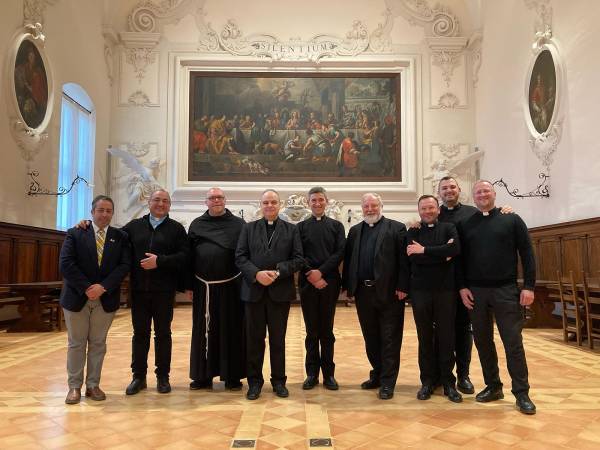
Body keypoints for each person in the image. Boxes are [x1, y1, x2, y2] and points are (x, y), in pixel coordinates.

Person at [458, 180, 537, 415]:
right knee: (482, 342)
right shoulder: (466, 223)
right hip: (476, 292)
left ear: (494, 194)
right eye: (478, 192)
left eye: (486, 191)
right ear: (473, 197)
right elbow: (460, 260)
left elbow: (527, 253)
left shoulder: (511, 219)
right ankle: (493, 386)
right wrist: (462, 287)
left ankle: (521, 393)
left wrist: (529, 286)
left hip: (506, 290)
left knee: (513, 343)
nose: (482, 195)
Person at [60, 195, 131, 404]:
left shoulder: (120, 237)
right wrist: (86, 288)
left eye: (109, 210)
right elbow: (66, 264)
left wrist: (103, 287)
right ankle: (74, 387)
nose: (104, 214)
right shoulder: (76, 233)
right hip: (76, 297)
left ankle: (93, 385)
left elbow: (124, 266)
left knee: (98, 343)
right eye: (100, 210)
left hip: (105, 298)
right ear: (92, 212)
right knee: (76, 343)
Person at [235, 189, 304, 400]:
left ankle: (279, 381)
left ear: (280, 204)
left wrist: (277, 271)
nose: (269, 206)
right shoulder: (248, 228)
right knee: (254, 340)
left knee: (278, 340)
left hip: (279, 292)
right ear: (260, 205)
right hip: (254, 292)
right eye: (266, 202)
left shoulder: (291, 230)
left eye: (273, 202)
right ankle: (254, 382)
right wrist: (256, 274)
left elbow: (299, 259)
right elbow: (240, 256)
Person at [342, 193, 409, 400]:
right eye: (366, 206)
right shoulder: (354, 231)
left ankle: (388, 382)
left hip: (390, 292)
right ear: (361, 208)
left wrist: (403, 286)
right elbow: (349, 260)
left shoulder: (396, 228)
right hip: (364, 292)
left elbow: (404, 260)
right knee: (371, 337)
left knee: (390, 338)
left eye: (373, 205)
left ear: (381, 206)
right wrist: (348, 287)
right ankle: (377, 374)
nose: (370, 209)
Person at [123, 189, 189, 395]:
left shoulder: (177, 229)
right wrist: (87, 225)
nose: (161, 204)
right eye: (157, 200)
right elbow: (111, 239)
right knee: (140, 335)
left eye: (165, 201)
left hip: (164, 291)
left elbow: (184, 257)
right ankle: (138, 377)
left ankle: (163, 377)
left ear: (169, 205)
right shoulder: (133, 227)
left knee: (163, 334)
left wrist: (159, 261)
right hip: (139, 290)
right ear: (148, 202)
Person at [186, 188, 246, 391]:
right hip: (204, 287)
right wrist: (188, 284)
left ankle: (232, 376)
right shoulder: (196, 225)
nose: (216, 200)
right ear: (206, 202)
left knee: (232, 329)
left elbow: (244, 254)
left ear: (225, 201)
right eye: (212, 198)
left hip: (231, 286)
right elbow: (189, 256)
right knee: (203, 331)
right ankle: (203, 376)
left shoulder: (239, 225)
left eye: (219, 197)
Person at [406, 195, 462, 403]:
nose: (428, 211)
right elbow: (413, 257)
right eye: (423, 208)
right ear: (419, 211)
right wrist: (441, 254)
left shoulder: (449, 228)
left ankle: (449, 382)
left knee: (447, 336)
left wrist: (425, 250)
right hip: (420, 291)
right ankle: (427, 381)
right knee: (425, 337)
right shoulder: (413, 230)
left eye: (431, 207)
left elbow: (455, 249)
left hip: (446, 291)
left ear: (438, 210)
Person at [297, 187, 346, 391]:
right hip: (308, 283)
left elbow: (340, 252)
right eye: (313, 200)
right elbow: (298, 253)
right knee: (311, 331)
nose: (317, 203)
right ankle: (311, 374)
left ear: (326, 201)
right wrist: (312, 274)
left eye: (320, 200)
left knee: (327, 330)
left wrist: (322, 273)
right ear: (308, 203)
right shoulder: (299, 227)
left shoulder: (336, 226)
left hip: (329, 282)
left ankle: (329, 375)